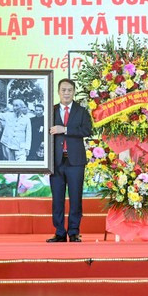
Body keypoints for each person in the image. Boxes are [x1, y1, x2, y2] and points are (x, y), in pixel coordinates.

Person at [47, 79, 92, 243]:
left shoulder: (81, 111)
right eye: (63, 90)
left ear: (74, 92)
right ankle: (59, 232)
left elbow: (87, 130)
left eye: (70, 90)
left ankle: (74, 232)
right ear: (58, 92)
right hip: (56, 162)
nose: (66, 93)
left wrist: (65, 129)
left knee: (75, 198)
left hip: (76, 162)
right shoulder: (51, 111)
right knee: (57, 199)